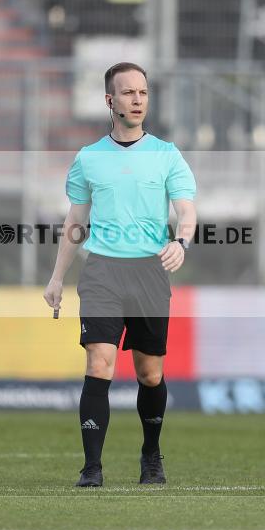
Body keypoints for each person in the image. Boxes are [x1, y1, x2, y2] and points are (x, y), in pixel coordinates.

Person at [43, 62, 197, 487]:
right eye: (128, 93)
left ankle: (151, 454)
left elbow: (187, 210)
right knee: (100, 362)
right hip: (103, 273)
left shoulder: (167, 154)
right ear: (110, 100)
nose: (137, 100)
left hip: (150, 272)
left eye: (143, 93)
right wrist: (57, 277)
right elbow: (75, 221)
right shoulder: (89, 158)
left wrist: (180, 243)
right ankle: (92, 468)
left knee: (150, 374)